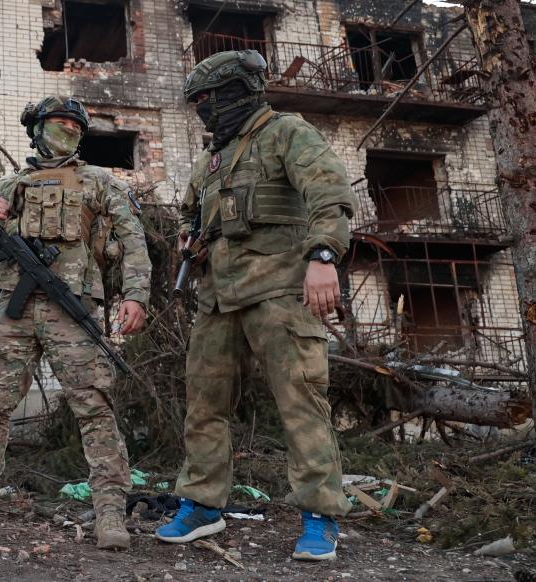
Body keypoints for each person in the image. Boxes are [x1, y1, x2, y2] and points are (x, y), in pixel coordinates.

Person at [154, 50, 356, 561]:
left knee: (301, 403)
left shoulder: (287, 132)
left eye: (207, 99)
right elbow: (190, 214)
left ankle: (320, 516)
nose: (202, 110)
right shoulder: (211, 159)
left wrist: (324, 256)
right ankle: (203, 505)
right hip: (218, 298)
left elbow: (328, 192)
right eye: (196, 103)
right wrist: (189, 239)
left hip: (280, 290)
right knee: (205, 405)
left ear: (235, 92)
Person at [0, 96, 151, 551]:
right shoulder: (7, 184)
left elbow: (133, 237)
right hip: (11, 309)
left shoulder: (98, 181)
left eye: (76, 125)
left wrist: (136, 295)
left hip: (72, 307)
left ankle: (110, 510)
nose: (68, 130)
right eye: (58, 122)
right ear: (36, 129)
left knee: (93, 405)